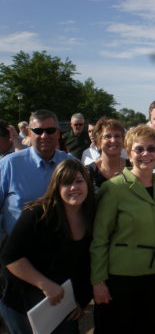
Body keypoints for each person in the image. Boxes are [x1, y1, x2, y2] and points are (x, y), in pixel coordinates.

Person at [90, 125, 155, 334]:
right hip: (120, 278)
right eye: (139, 149)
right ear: (129, 152)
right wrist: (98, 281)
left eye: (151, 149)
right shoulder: (114, 188)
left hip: (154, 276)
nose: (146, 154)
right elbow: (99, 239)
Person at [0, 159, 95, 334]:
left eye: (79, 181)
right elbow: (10, 256)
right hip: (23, 302)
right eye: (66, 183)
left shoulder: (91, 217)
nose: (74, 187)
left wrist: (81, 301)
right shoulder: (37, 214)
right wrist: (45, 284)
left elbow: (86, 264)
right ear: (56, 187)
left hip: (59, 304)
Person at [0, 109, 71, 237]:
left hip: (60, 247)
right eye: (38, 131)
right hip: (18, 249)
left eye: (50, 131)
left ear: (58, 133)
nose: (44, 136)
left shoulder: (71, 163)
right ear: (29, 133)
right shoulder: (10, 165)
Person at [86, 118, 130, 192]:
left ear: (123, 141)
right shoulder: (89, 172)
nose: (113, 140)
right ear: (99, 141)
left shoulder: (132, 167)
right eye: (107, 136)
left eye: (117, 136)